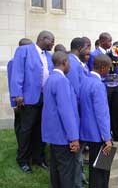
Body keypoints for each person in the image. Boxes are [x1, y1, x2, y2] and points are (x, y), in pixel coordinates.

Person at [10, 30, 54, 173]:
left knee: (41, 130)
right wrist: (17, 94)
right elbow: (17, 72)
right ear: (42, 38)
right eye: (51, 40)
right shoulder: (24, 50)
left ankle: (38, 158)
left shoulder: (49, 55)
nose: (53, 43)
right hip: (28, 98)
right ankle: (23, 159)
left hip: (44, 98)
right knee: (26, 130)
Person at [42, 51, 80, 188]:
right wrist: (73, 138)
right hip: (63, 135)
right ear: (65, 62)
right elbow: (66, 112)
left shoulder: (50, 78)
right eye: (69, 62)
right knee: (66, 172)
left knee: (55, 169)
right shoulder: (61, 80)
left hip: (53, 134)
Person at [79, 54, 113, 188]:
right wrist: (107, 138)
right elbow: (102, 114)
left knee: (94, 170)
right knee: (101, 172)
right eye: (109, 68)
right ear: (103, 67)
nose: (109, 71)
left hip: (87, 131)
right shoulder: (98, 85)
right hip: (99, 135)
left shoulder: (85, 80)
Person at [66, 37, 89, 187]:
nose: (89, 52)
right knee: (75, 153)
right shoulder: (73, 64)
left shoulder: (74, 62)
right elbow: (77, 93)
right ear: (80, 48)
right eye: (87, 48)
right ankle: (76, 182)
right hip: (75, 113)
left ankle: (79, 176)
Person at [7, 38, 32, 158]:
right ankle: (21, 148)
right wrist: (14, 103)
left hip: (28, 102)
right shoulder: (13, 62)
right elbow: (13, 83)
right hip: (18, 102)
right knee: (20, 126)